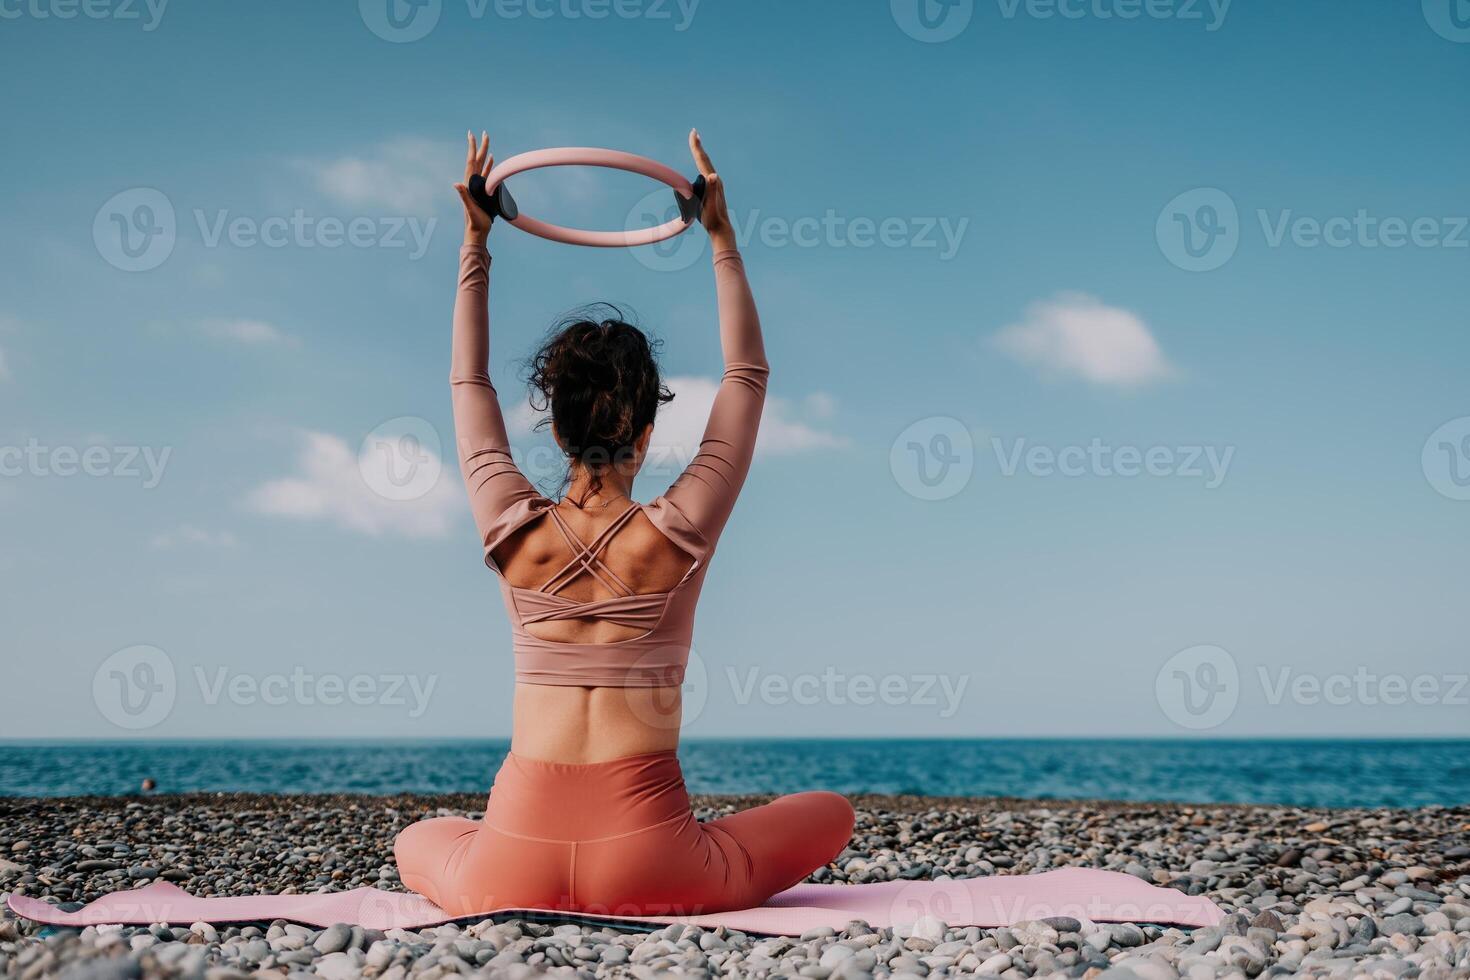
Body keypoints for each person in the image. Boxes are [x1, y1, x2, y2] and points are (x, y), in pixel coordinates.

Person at [393, 130, 854, 918]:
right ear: (645, 433)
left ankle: (504, 862)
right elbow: (748, 376)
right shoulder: (679, 529)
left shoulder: (508, 522)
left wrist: (476, 240)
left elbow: (467, 380)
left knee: (419, 838)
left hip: (511, 863)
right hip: (653, 866)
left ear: (559, 431)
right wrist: (721, 237)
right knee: (833, 814)